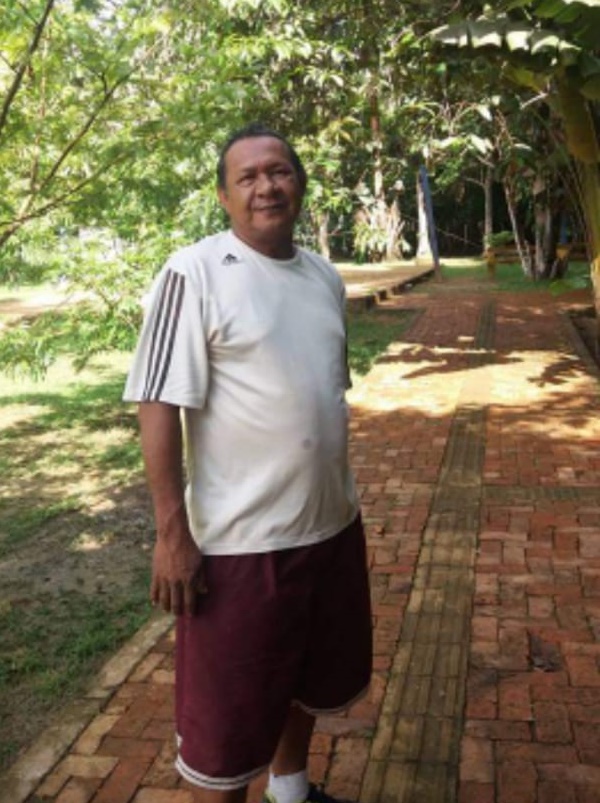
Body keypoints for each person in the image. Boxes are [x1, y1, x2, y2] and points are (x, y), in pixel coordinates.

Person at [123, 122, 372, 803]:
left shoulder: (322, 274)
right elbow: (156, 401)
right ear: (224, 196)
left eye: (279, 171)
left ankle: (290, 791)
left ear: (300, 184)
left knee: (309, 680)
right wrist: (172, 535)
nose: (267, 186)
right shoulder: (194, 272)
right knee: (225, 737)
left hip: (330, 528)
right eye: (248, 176)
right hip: (241, 547)